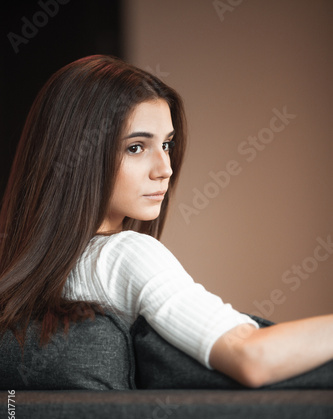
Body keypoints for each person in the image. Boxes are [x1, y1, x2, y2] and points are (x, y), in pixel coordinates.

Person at [0, 54, 332, 388]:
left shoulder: (23, 274)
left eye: (166, 144)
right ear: (78, 154)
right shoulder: (126, 256)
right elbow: (251, 357)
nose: (165, 169)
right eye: (135, 147)